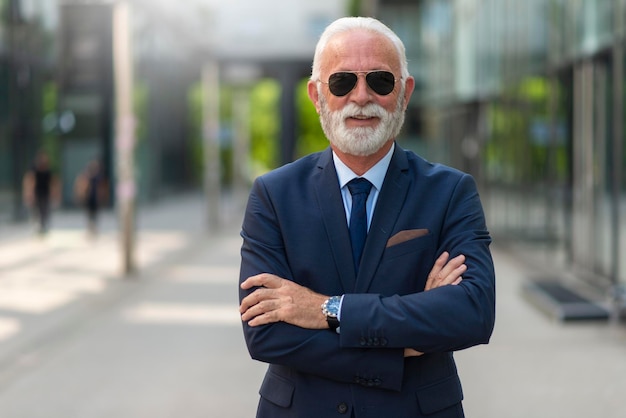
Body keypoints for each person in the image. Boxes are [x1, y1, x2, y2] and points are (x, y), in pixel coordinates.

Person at [238, 16, 495, 418]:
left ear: (405, 92)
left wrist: (328, 309)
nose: (361, 96)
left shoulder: (450, 192)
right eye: (342, 82)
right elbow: (266, 334)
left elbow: (471, 313)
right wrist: (406, 343)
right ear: (316, 94)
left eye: (380, 81)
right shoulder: (273, 195)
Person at [22, 150, 61, 235]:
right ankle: (38, 226)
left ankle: (43, 226)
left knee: (45, 210)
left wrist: (55, 194)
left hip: (45, 193)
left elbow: (53, 182)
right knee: (37, 210)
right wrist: (29, 193)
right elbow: (29, 180)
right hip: (37, 193)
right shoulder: (34, 169)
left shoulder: (48, 170)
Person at [74, 159, 109, 237]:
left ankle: (93, 227)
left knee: (94, 214)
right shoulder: (86, 177)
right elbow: (81, 187)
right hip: (89, 198)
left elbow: (102, 187)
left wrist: (103, 196)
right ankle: (91, 227)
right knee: (90, 214)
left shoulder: (98, 177)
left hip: (95, 198)